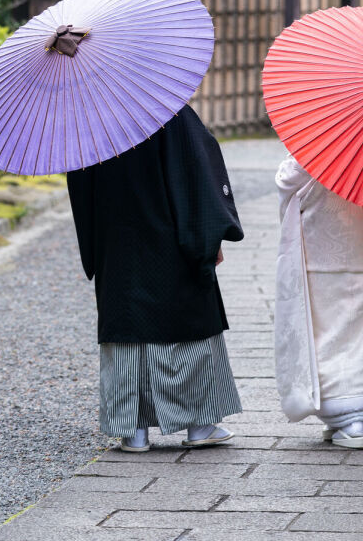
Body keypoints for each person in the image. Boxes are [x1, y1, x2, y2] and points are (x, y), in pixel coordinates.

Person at [67, 104, 243, 453]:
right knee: (186, 322)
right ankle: (200, 425)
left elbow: (80, 190)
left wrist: (97, 245)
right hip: (171, 239)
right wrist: (208, 241)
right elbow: (198, 177)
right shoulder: (166, 110)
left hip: (116, 244)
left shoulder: (87, 118)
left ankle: (132, 430)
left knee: (127, 327)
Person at [274, 156, 363, 450]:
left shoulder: (316, 141)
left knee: (326, 336)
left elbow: (287, 183)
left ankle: (347, 419)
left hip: (321, 251)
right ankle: (346, 418)